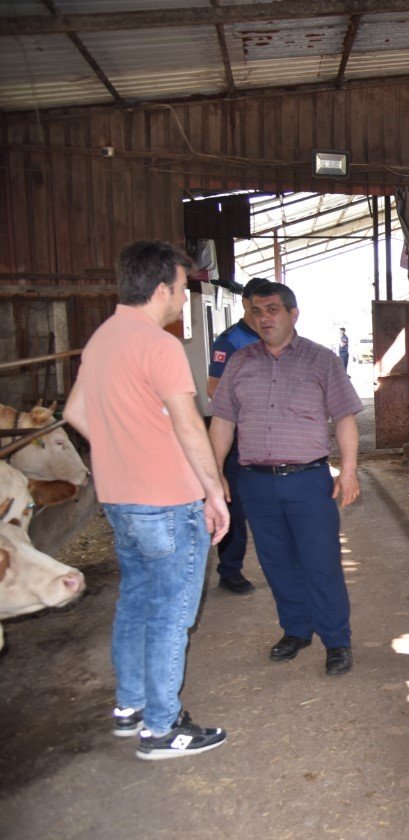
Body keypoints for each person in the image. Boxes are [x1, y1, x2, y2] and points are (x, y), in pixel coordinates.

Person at [64, 240, 231, 760]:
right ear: (161, 288)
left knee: (136, 600)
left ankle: (129, 705)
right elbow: (188, 426)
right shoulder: (159, 346)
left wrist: (123, 449)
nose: (183, 300)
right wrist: (214, 492)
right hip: (168, 502)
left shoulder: (102, 340)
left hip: (120, 499)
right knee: (171, 613)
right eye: (182, 289)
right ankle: (161, 729)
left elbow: (75, 412)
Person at [209, 282, 363, 677]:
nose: (264, 318)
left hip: (308, 481)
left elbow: (345, 417)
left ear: (293, 314)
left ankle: (336, 639)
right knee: (275, 561)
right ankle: (295, 630)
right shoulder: (240, 362)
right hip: (256, 481)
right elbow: (223, 421)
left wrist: (348, 471)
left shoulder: (321, 360)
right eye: (257, 311)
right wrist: (214, 474)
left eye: (272, 310)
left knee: (321, 562)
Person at [205, 278, 271, 596]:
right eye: (258, 306)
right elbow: (213, 388)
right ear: (245, 304)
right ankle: (229, 570)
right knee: (236, 504)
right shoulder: (231, 341)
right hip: (239, 435)